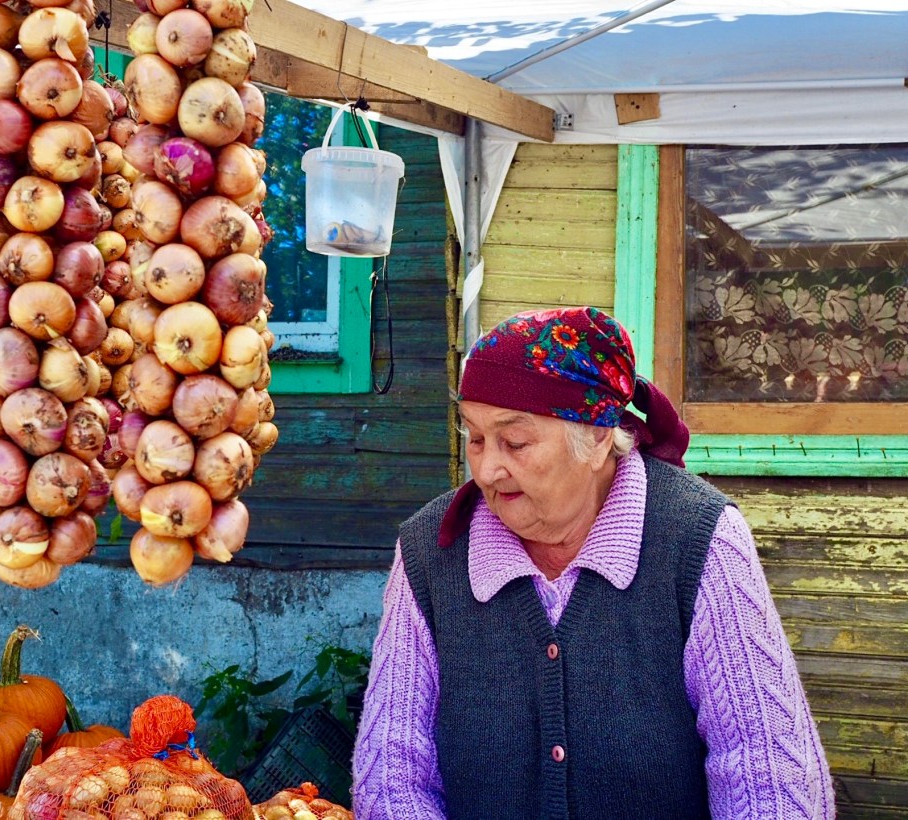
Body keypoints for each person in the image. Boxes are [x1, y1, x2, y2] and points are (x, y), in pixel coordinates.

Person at [351, 306, 835, 819]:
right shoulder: (430, 552)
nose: (488, 469)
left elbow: (770, 777)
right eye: (474, 437)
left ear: (599, 437)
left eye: (515, 442)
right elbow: (392, 776)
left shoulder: (696, 538)